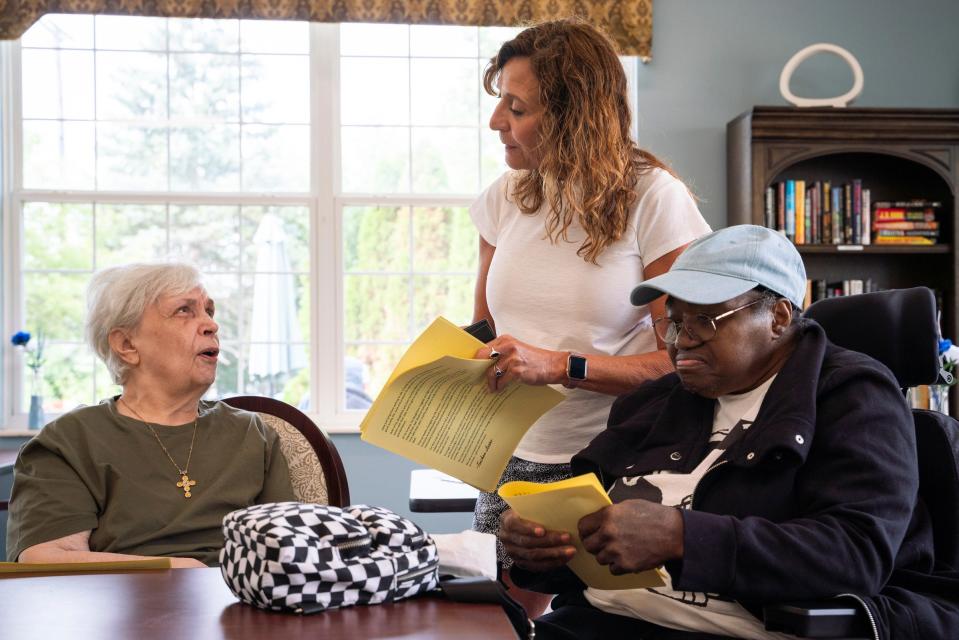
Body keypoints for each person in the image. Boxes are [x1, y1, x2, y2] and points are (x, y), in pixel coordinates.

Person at [499, 225, 959, 639]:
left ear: (778, 317)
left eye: (705, 320)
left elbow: (856, 554)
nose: (682, 339)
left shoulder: (853, 398)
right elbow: (586, 518)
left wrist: (682, 536)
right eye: (674, 320)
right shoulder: (657, 399)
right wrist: (542, 548)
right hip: (595, 622)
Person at [468, 17, 711, 610]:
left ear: (573, 115)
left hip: (610, 457)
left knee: (598, 616)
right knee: (500, 619)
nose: (497, 121)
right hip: (510, 455)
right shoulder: (507, 196)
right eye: (501, 103)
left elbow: (686, 363)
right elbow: (484, 330)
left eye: (517, 108)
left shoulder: (653, 198)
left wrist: (560, 366)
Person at [6, 263, 296, 567]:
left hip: (240, 605)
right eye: (185, 310)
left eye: (209, 311)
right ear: (127, 345)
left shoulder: (251, 432)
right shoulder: (69, 441)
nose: (211, 325)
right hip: (123, 608)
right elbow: (45, 559)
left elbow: (287, 546)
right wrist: (178, 571)